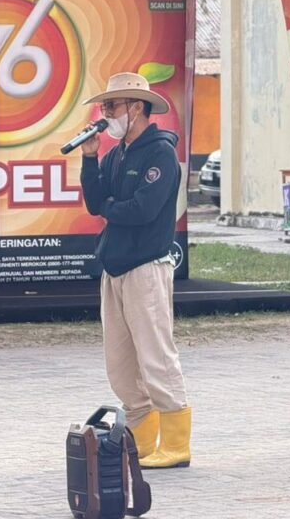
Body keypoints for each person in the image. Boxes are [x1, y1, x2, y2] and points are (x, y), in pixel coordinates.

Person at [80, 72, 191, 469]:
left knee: (156, 356)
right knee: (121, 363)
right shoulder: (117, 154)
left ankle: (176, 444)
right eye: (103, 106)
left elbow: (143, 210)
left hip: (146, 268)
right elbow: (96, 203)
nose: (105, 114)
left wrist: (111, 207)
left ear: (137, 107)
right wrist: (89, 158)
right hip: (115, 268)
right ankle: (143, 439)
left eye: (112, 106)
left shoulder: (159, 153)